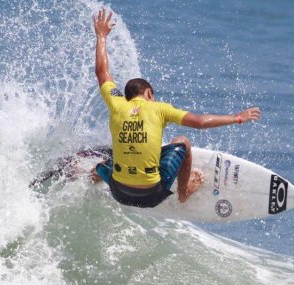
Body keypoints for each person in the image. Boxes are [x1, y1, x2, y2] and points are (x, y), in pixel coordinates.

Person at [92, 9, 261, 208]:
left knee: (106, 161)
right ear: (148, 93)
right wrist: (238, 117)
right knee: (182, 141)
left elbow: (102, 72)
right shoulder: (160, 109)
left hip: (119, 192)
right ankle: (184, 192)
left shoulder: (116, 104)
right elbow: (199, 122)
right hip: (151, 194)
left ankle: (91, 176)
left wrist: (101, 35)